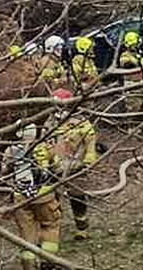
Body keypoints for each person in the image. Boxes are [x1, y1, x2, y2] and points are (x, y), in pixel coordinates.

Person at [2, 123, 62, 269]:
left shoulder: (11, 150)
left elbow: (4, 174)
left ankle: (29, 266)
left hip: (21, 199)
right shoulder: (46, 147)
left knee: (26, 234)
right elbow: (58, 169)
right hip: (44, 196)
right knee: (50, 226)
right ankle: (47, 262)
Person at [48, 89, 99, 241]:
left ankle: (81, 228)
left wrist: (89, 160)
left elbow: (91, 142)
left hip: (76, 168)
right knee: (53, 200)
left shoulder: (81, 123)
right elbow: (45, 143)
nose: (58, 109)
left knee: (77, 198)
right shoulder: (50, 122)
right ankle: (53, 229)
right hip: (55, 168)